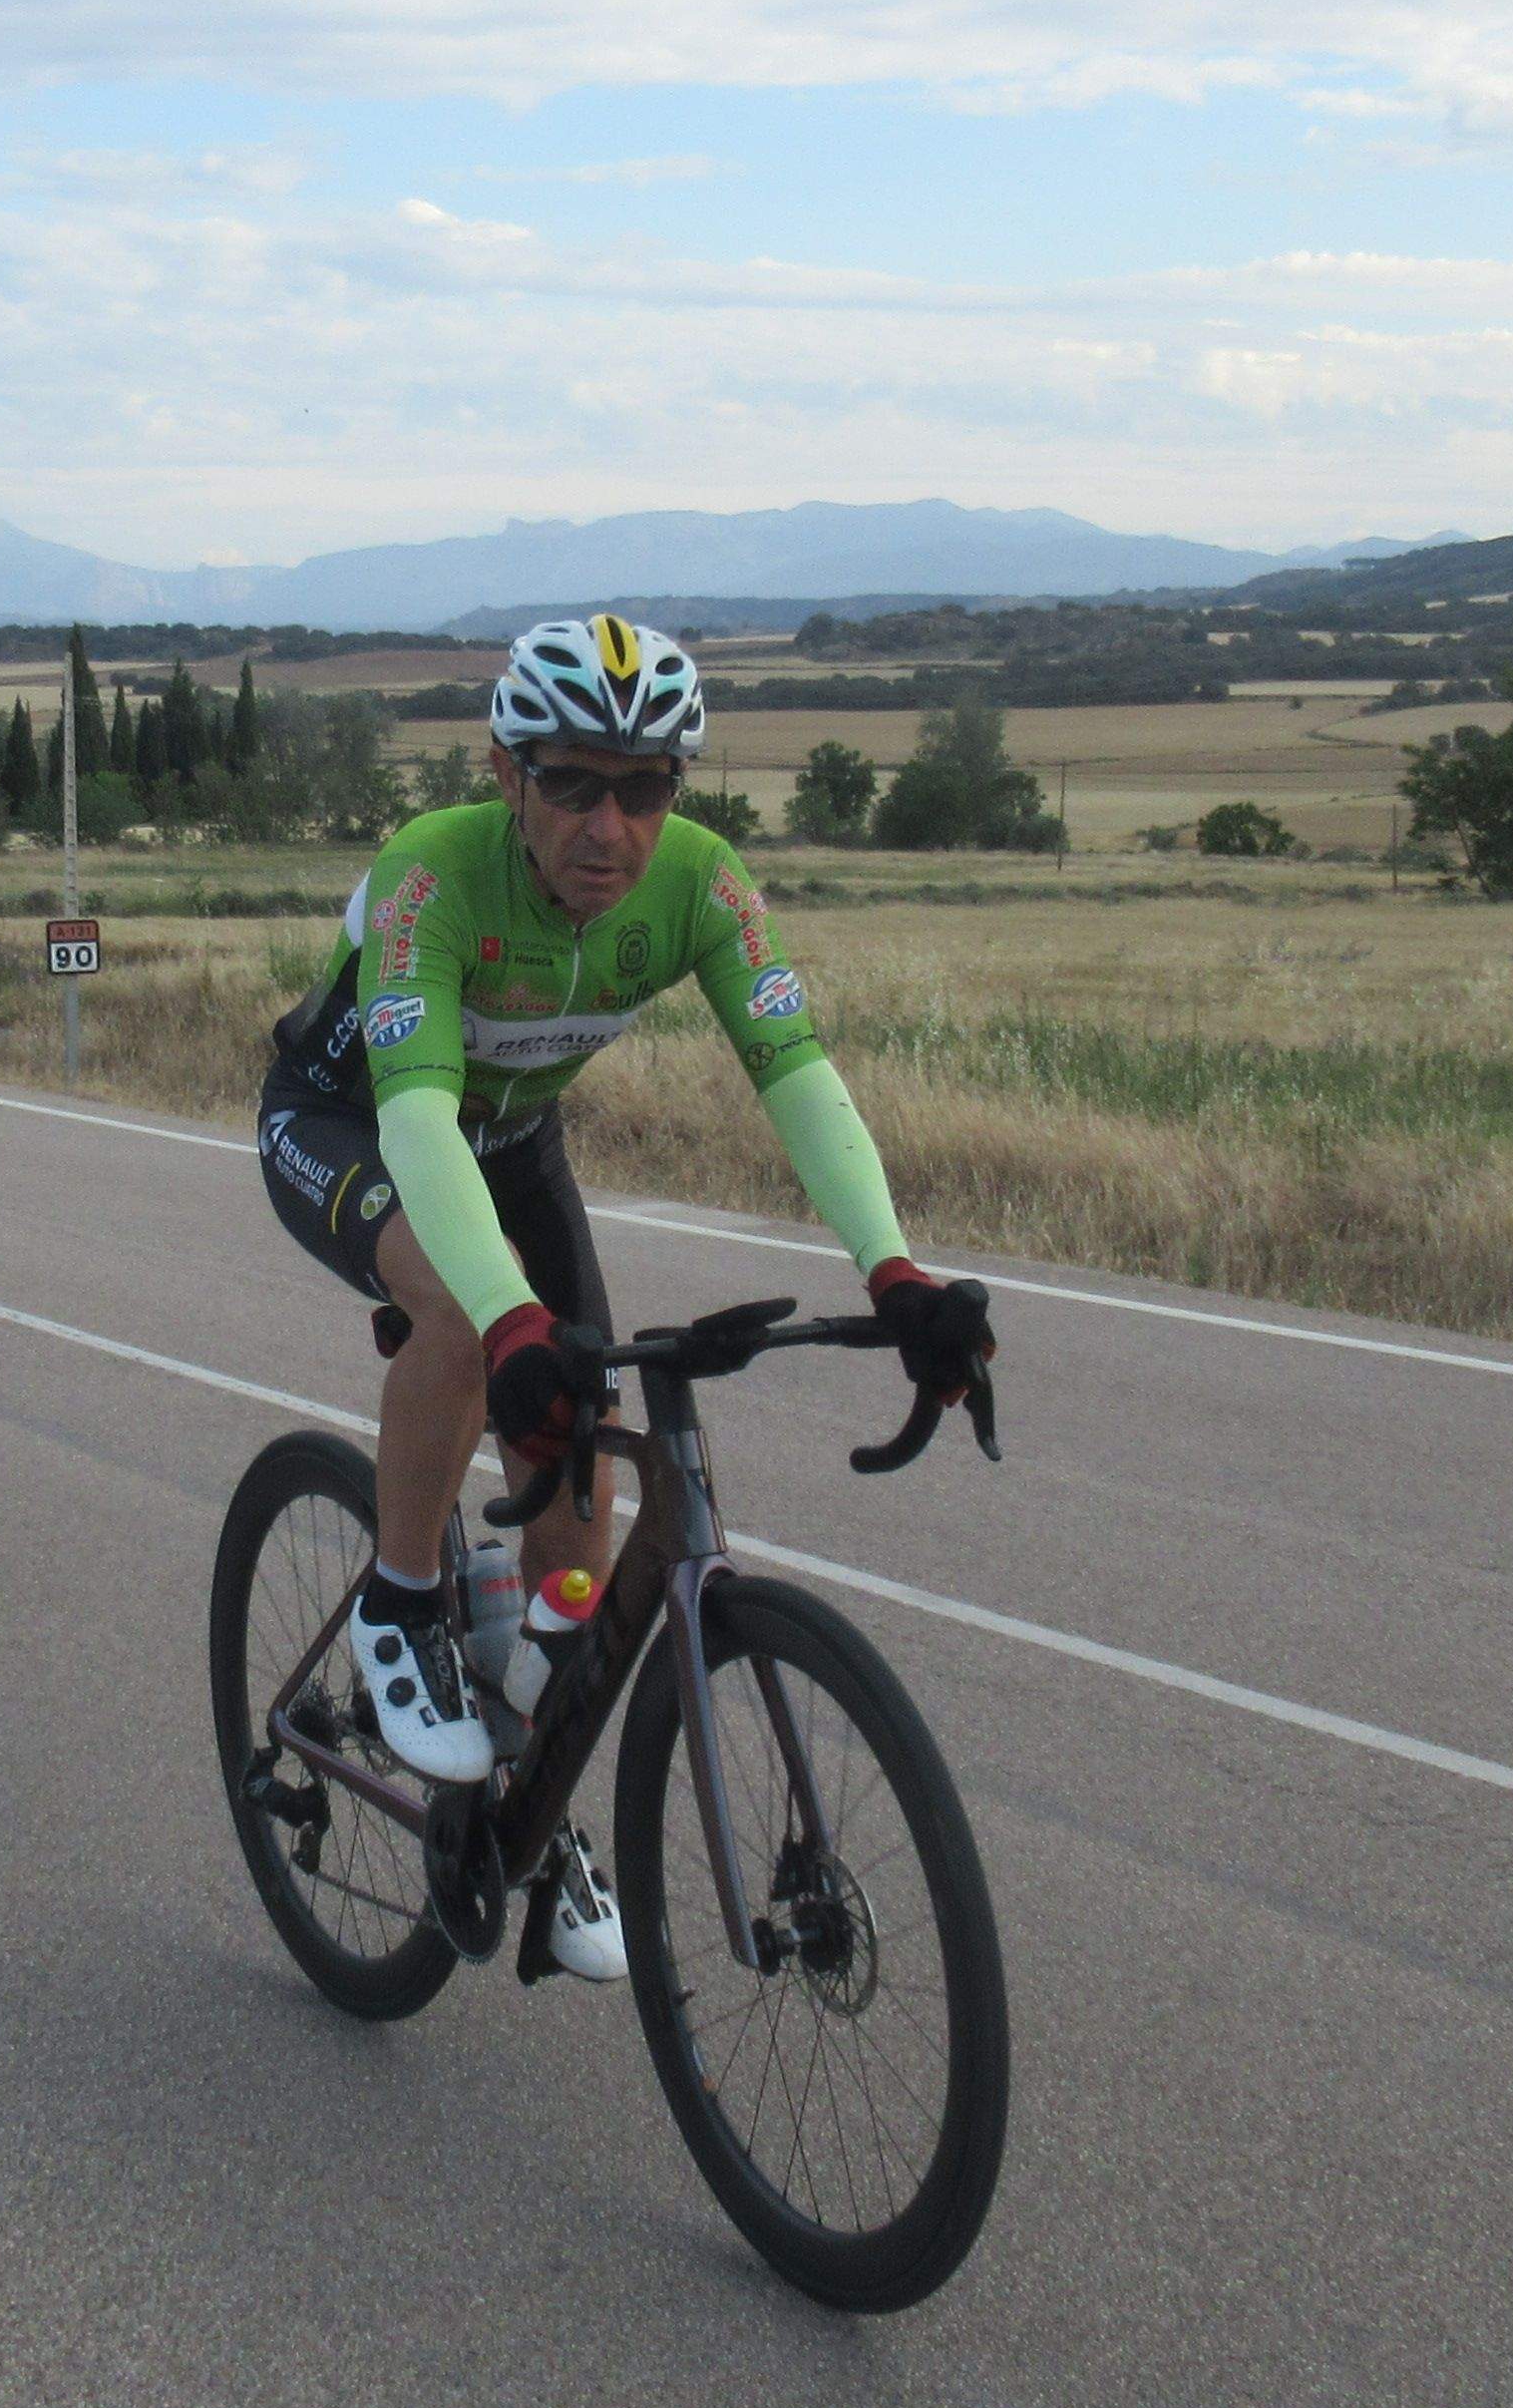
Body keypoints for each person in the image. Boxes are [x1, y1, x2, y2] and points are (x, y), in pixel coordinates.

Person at [257, 610, 992, 1971]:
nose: (610, 826)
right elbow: (419, 1122)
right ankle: (401, 1603)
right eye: (573, 783)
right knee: (470, 1330)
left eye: (646, 788)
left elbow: (798, 1074)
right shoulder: (435, 876)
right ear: (505, 775)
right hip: (354, 1122)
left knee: (578, 1544)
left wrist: (892, 1270)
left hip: (515, 1141)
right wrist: (507, 1316)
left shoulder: (703, 886)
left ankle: (524, 1792)